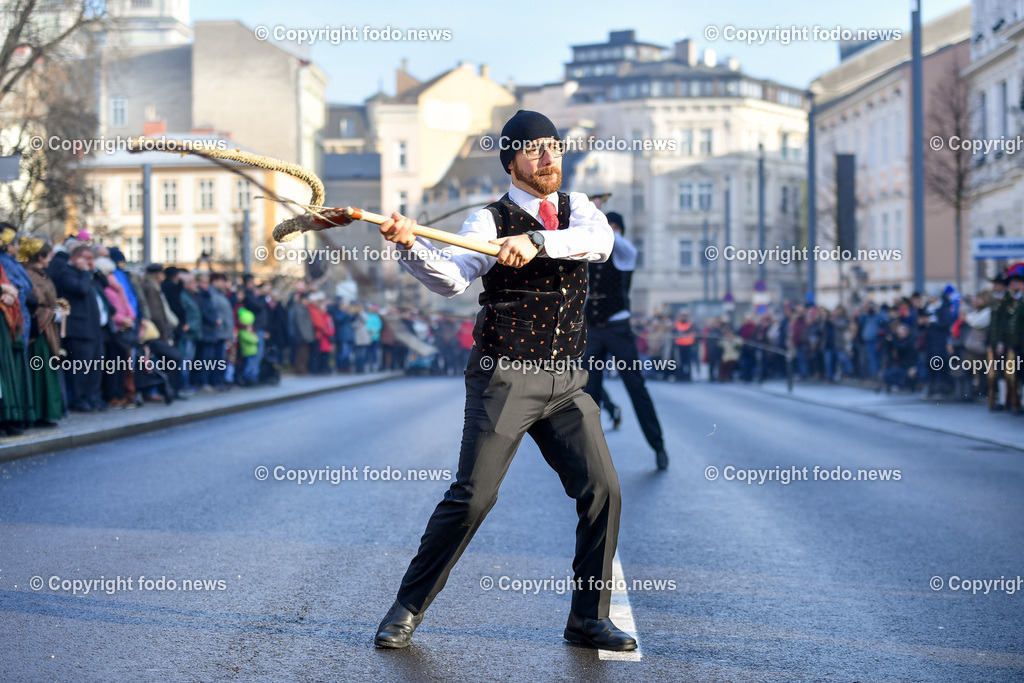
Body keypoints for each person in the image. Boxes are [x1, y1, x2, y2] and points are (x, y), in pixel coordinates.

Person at [373, 110, 636, 652]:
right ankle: (407, 607)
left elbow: (598, 243)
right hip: (505, 378)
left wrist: (538, 243)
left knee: (603, 490)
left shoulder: (578, 208)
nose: (548, 157)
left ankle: (587, 619)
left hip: (566, 382)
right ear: (511, 161)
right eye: (535, 148)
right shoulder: (487, 223)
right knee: (473, 498)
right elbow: (449, 279)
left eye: (554, 146)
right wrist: (407, 245)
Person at [582, 211, 668, 470]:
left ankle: (658, 445)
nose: (610, 230)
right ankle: (588, 455)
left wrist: (596, 218)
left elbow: (618, 241)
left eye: (614, 226)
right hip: (594, 330)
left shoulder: (625, 254)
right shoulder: (591, 255)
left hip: (618, 329)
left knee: (636, 388)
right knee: (588, 393)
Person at [19, 237, 65, 426]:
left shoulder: (42, 275)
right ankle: (39, 412)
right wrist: (52, 314)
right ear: (40, 256)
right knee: (40, 370)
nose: (50, 259)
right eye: (48, 255)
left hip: (47, 329)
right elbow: (35, 303)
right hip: (39, 331)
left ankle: (47, 412)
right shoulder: (31, 275)